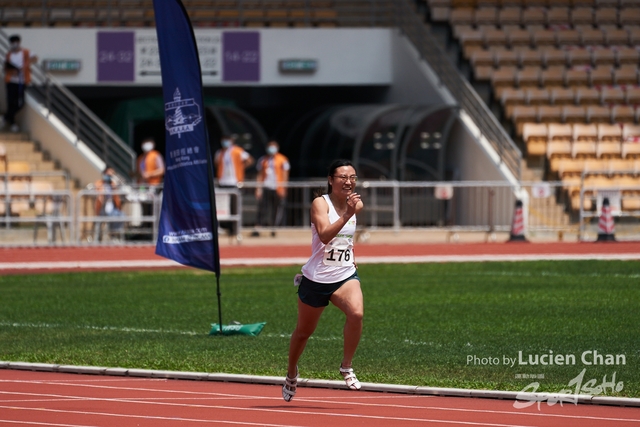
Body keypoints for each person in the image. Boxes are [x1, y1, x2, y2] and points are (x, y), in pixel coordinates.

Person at [283, 159, 364, 402]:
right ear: (330, 180)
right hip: (316, 278)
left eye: (352, 177)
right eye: (342, 177)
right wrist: (348, 214)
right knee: (303, 333)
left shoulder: (355, 203)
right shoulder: (321, 203)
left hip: (344, 275)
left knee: (356, 314)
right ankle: (291, 373)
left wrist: (351, 255)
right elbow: (325, 235)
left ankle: (346, 366)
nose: (348, 181)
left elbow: (345, 239)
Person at [214, 134, 254, 236]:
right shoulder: (220, 153)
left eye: (227, 140)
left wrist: (241, 168)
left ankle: (234, 229)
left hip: (234, 181)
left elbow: (250, 160)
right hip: (223, 181)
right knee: (223, 206)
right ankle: (224, 227)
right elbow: (216, 163)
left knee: (234, 206)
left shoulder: (237, 150)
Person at [1, 34, 38, 133]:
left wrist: (25, 65)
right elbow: (5, 68)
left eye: (15, 42)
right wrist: (11, 71)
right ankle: (12, 123)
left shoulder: (25, 52)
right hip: (11, 81)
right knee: (10, 102)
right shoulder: (9, 55)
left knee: (20, 103)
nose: (14, 44)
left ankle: (5, 118)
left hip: (22, 81)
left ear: (19, 42)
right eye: (12, 43)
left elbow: (35, 58)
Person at [254, 141, 290, 237]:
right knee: (262, 209)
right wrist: (258, 188)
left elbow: (285, 174)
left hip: (277, 187)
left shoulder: (282, 159)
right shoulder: (263, 160)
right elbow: (260, 174)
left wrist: (283, 188)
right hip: (266, 186)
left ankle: (273, 228)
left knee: (276, 209)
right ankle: (258, 227)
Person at [93, 167, 124, 241]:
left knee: (122, 216)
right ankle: (103, 237)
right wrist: (102, 192)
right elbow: (98, 195)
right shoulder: (99, 183)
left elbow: (117, 198)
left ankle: (113, 235)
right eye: (108, 174)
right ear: (104, 173)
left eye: (112, 174)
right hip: (102, 209)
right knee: (112, 216)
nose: (110, 176)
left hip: (112, 208)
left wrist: (115, 187)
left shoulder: (113, 184)